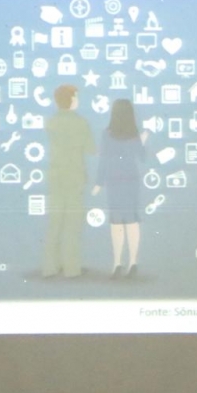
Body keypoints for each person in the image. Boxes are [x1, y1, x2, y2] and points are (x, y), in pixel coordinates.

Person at [91, 99, 148, 278]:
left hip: (114, 180)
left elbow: (104, 159)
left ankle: (117, 263)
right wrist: (142, 141)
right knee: (132, 221)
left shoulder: (106, 134)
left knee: (116, 222)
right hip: (131, 180)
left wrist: (98, 183)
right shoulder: (134, 134)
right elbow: (142, 157)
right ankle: (133, 262)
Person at [43, 84, 95, 278]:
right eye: (76, 97)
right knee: (73, 225)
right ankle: (72, 269)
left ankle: (50, 267)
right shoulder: (81, 123)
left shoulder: (51, 121)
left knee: (55, 223)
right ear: (72, 99)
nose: (77, 100)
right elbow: (91, 149)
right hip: (74, 176)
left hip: (56, 176)